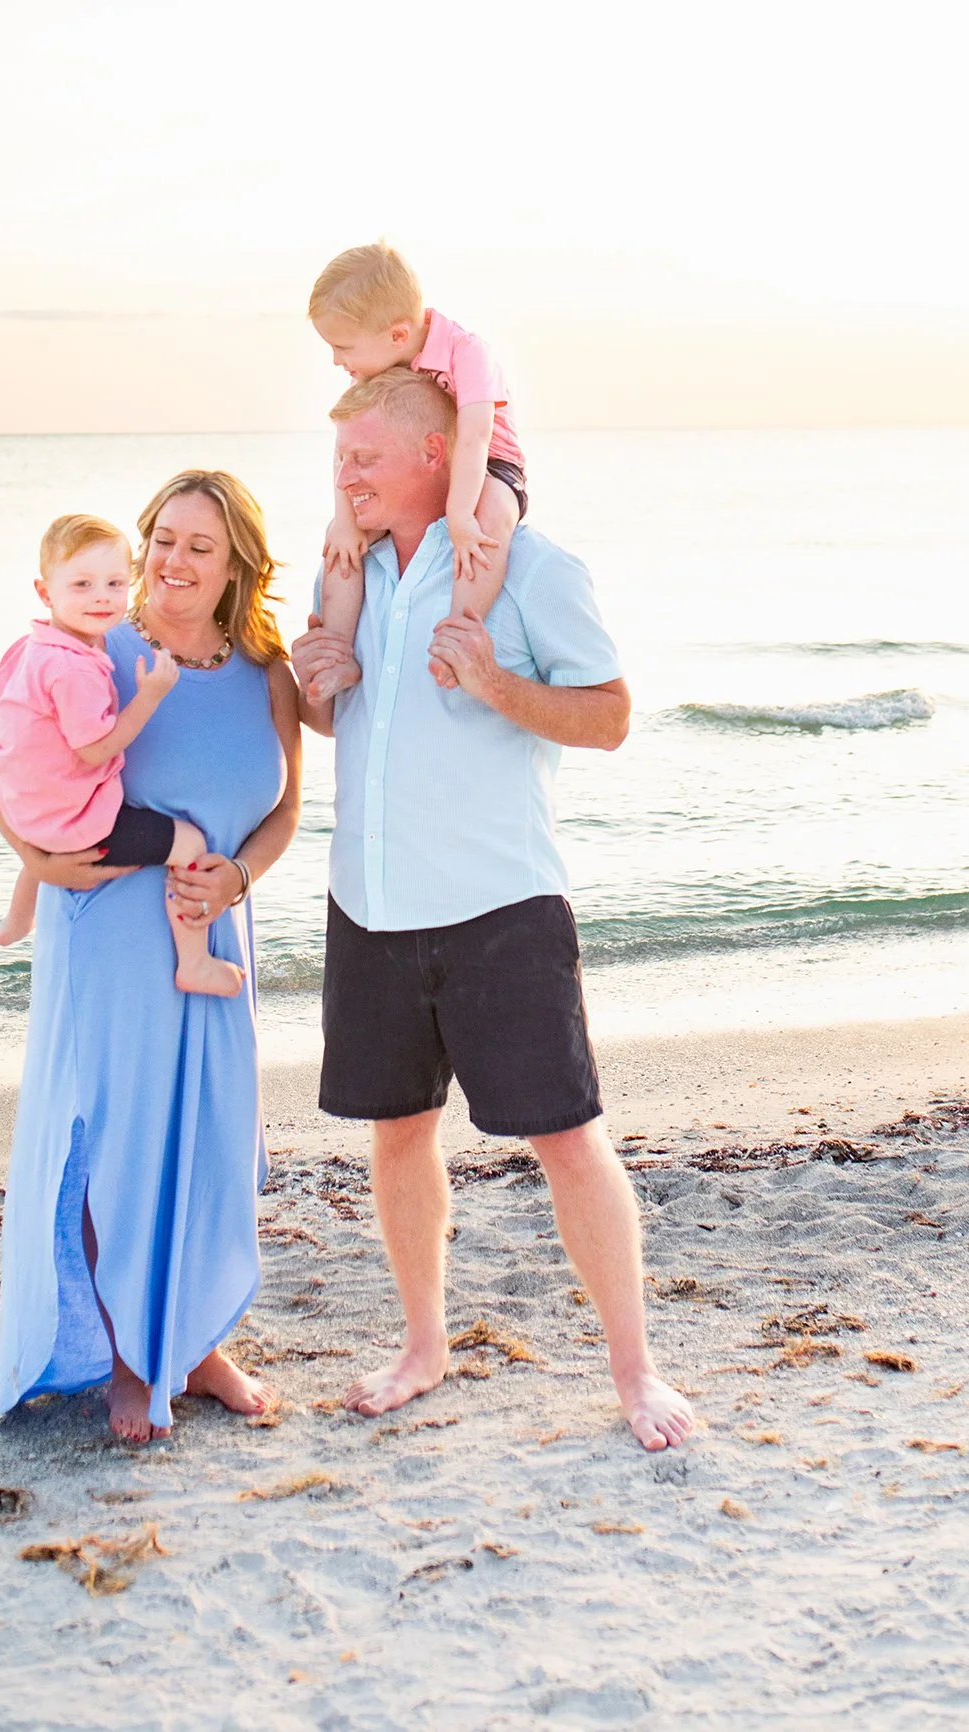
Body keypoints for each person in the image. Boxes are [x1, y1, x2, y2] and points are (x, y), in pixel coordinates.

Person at [291, 368, 693, 1453]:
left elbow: (609, 717)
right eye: (339, 459)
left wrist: (495, 685)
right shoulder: (346, 569)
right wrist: (317, 682)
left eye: (365, 458)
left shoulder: (530, 567)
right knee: (397, 1134)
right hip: (370, 905)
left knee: (566, 1139)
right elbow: (340, 721)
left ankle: (635, 1372)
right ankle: (423, 1346)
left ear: (435, 456)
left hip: (499, 907)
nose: (345, 477)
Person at [0, 471, 302, 1444]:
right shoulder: (94, 646)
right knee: (114, 1147)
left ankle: (194, 1350)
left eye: (201, 546)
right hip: (110, 929)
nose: (173, 561)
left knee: (209, 1142)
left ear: (237, 564)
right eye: (163, 539)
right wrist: (36, 861)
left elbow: (285, 810)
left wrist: (237, 876)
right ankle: (128, 1362)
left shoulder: (265, 671)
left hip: (214, 930)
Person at [0, 511, 244, 998]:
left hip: (30, 811)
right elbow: (95, 750)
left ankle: (18, 918)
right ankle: (194, 960)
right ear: (45, 592)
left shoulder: (31, 647)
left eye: (115, 584)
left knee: (50, 826)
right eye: (82, 585)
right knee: (188, 843)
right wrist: (150, 695)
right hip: (77, 821)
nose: (101, 597)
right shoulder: (73, 668)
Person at [308, 240, 526, 703]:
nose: (336, 361)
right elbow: (347, 444)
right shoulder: (380, 365)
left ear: (397, 335)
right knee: (341, 540)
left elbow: (475, 438)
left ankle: (458, 641)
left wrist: (460, 515)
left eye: (342, 347)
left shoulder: (467, 353)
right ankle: (336, 652)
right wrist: (345, 521)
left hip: (490, 463)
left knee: (489, 518)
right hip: (425, 468)